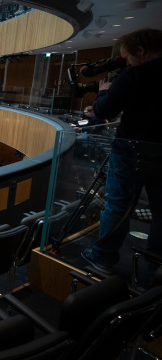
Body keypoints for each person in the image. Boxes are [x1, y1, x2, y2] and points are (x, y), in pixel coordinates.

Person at [83, 29, 162, 274]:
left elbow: (103, 111)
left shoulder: (136, 74)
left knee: (117, 205)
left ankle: (103, 259)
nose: (126, 63)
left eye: (127, 58)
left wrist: (105, 91)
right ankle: (155, 266)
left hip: (130, 150)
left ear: (140, 50)